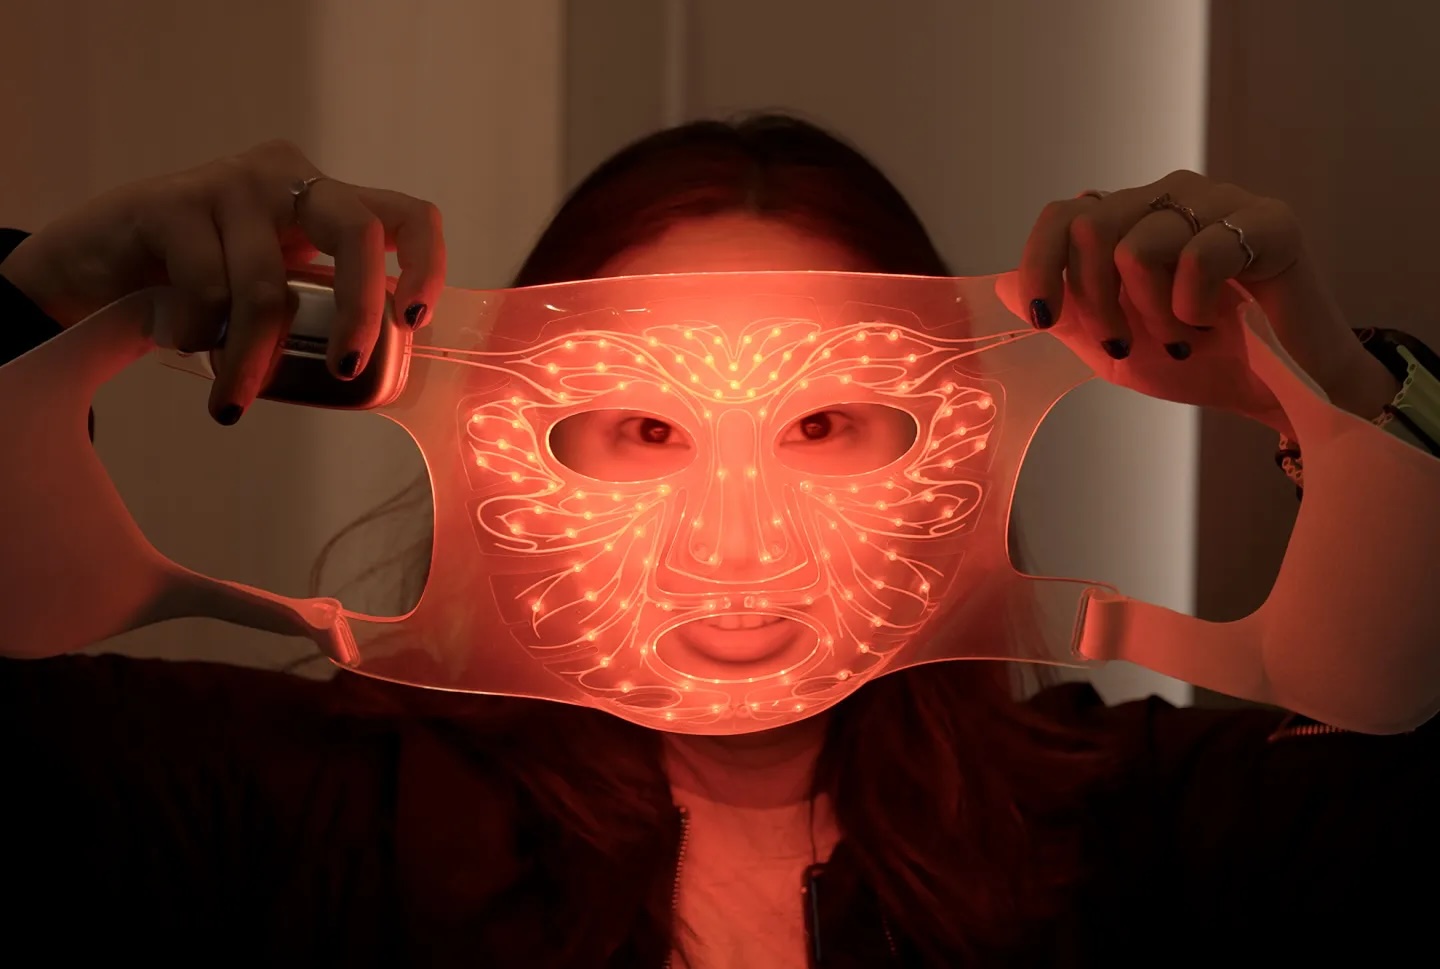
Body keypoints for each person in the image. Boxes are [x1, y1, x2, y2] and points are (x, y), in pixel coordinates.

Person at [1, 116, 1435, 969]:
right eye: (636, 433)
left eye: (828, 427)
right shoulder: (301, 811)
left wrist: (1333, 399)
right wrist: (38, 307)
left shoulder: (1145, 835)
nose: (735, 543)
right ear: (503, 450)